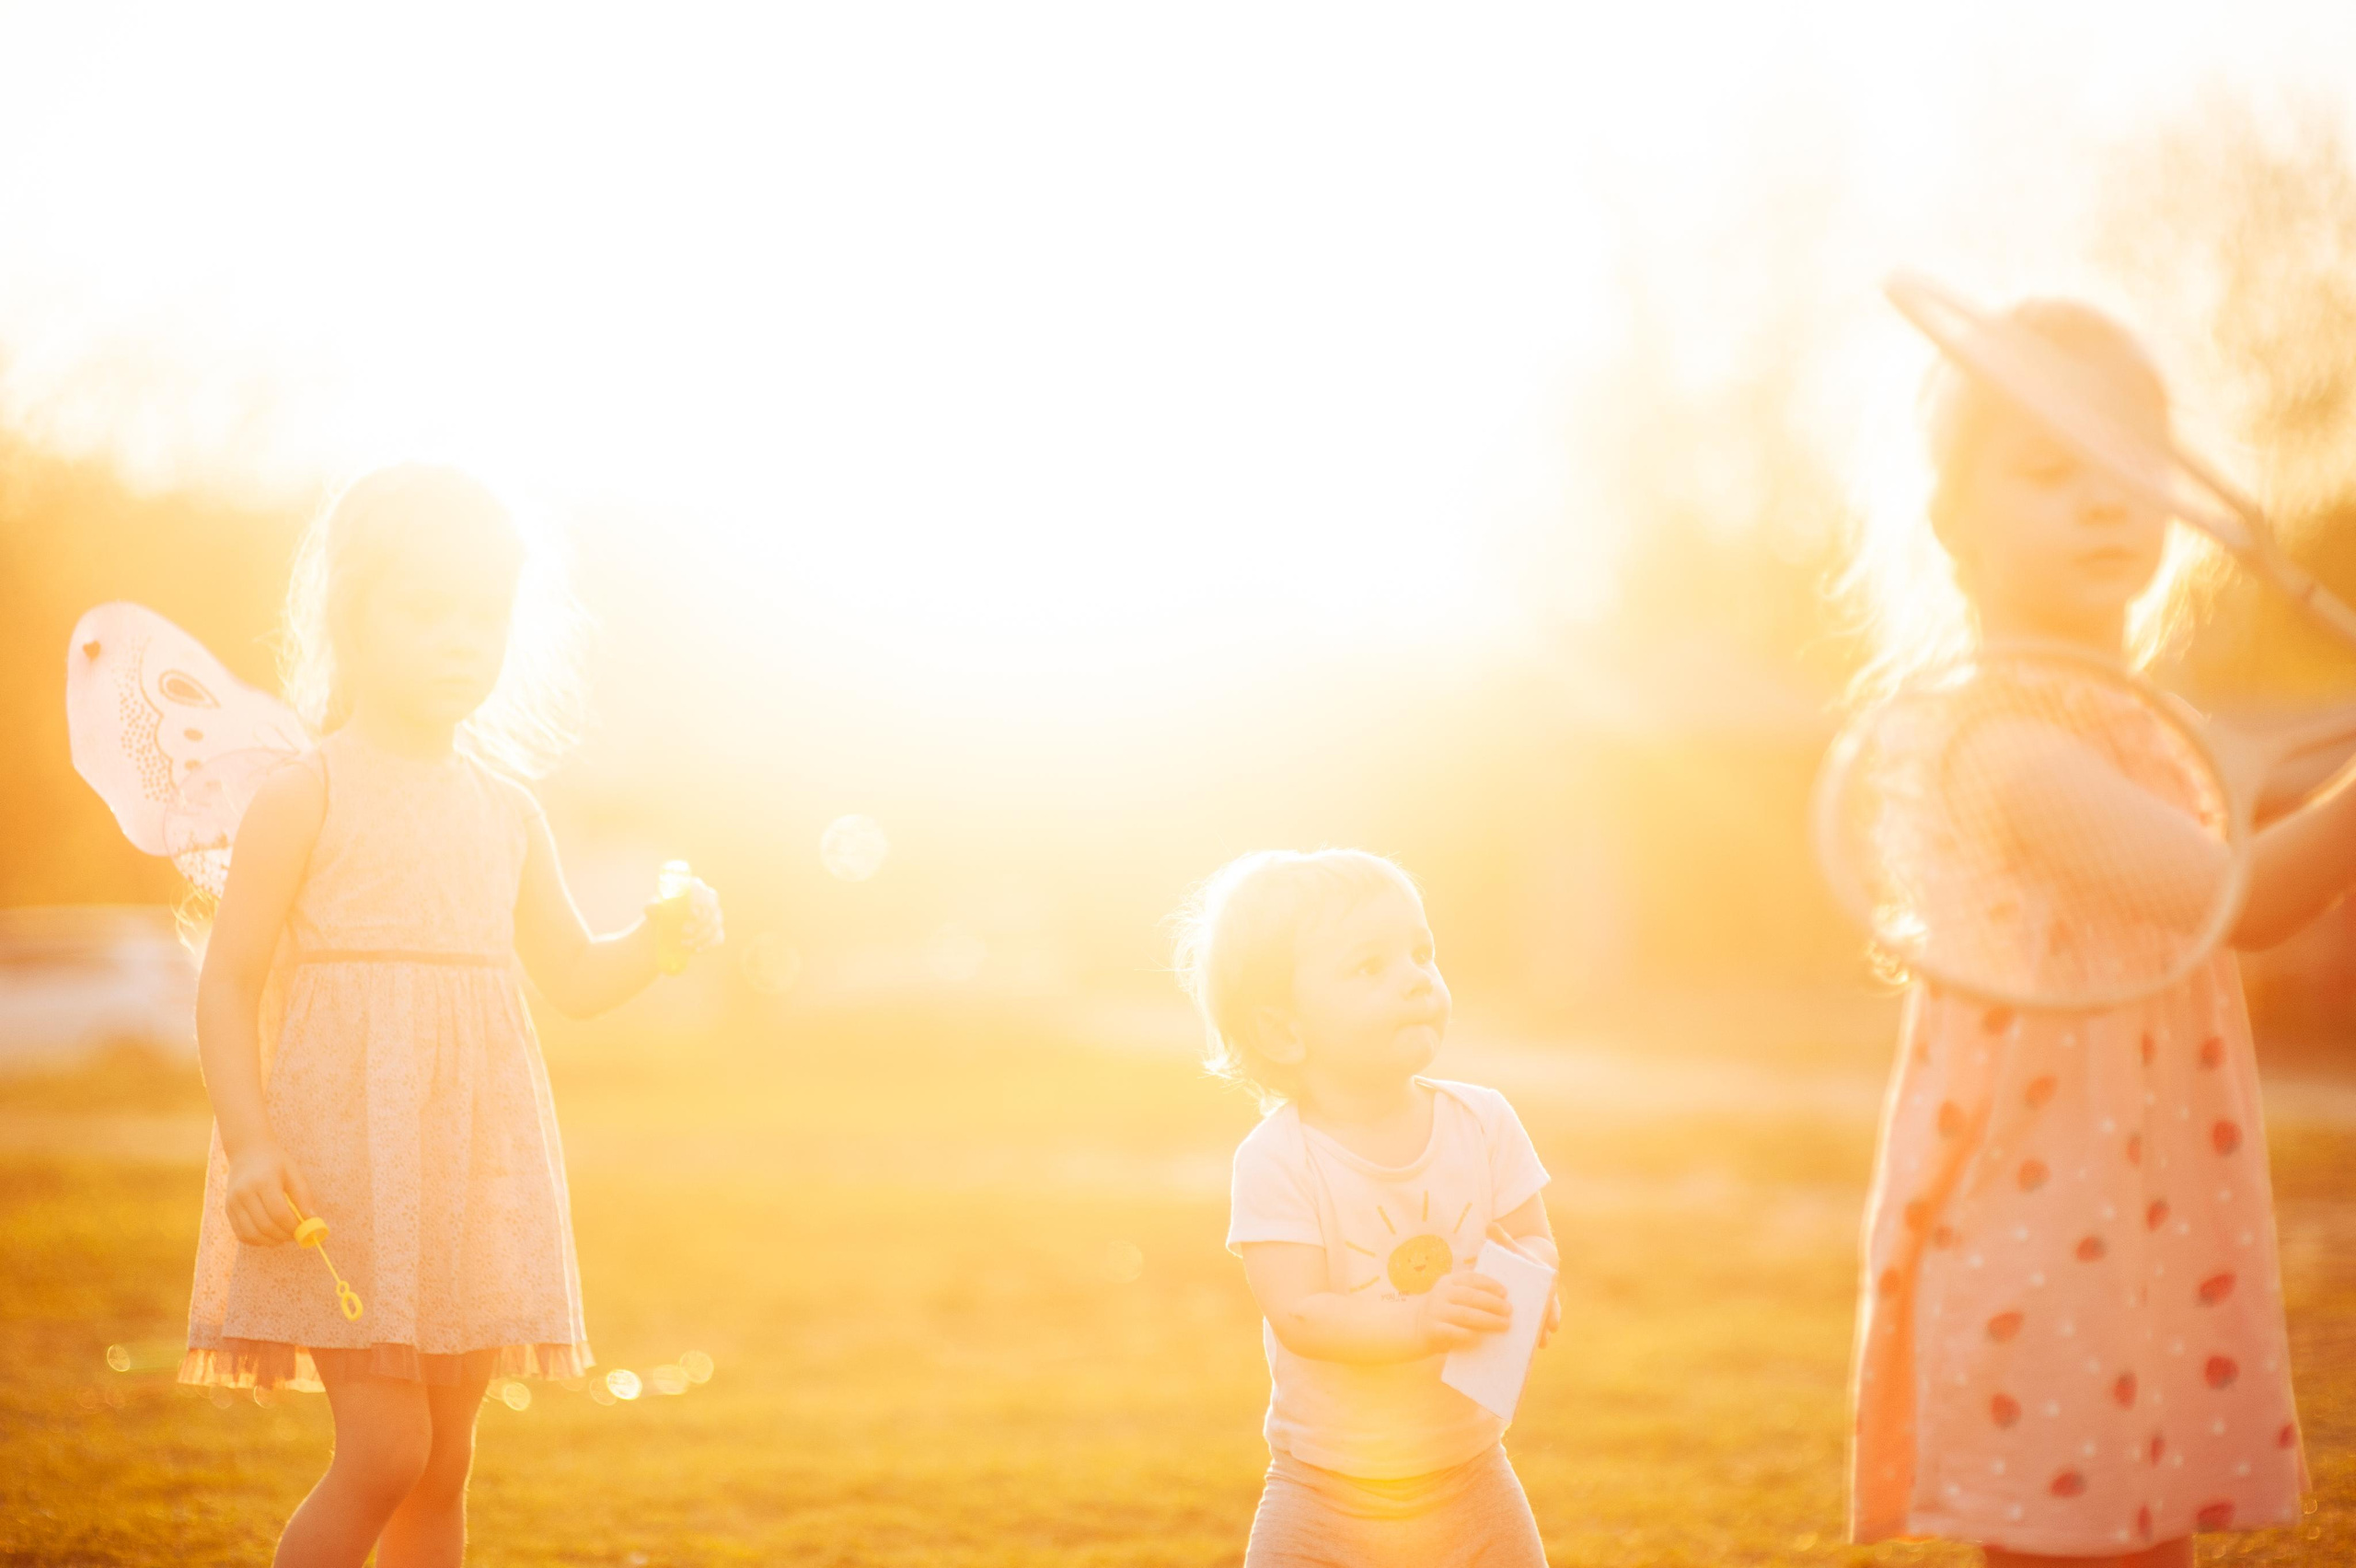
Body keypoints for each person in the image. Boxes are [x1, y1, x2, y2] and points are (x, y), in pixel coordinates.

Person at [1842, 298, 2356, 1565]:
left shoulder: (2129, 721)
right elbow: (2236, 897)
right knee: (2067, 1540)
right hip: (2037, 1203)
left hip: (2142, 1192)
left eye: (2129, 466)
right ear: (1954, 524)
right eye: (2049, 468)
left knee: (2144, 1532)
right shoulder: (2000, 744)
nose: (2102, 499)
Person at [179, 465, 722, 1567]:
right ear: (352, 617)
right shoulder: (306, 793)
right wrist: (248, 1147)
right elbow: (228, 981)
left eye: (483, 613)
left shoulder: (508, 811)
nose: (459, 637)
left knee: (443, 1463)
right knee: (383, 1450)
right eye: (424, 609)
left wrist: (659, 942)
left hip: (473, 1172)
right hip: (346, 1171)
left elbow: (570, 975)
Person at [1172, 848, 1557, 1568]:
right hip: (1324, 1496)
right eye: (1369, 966)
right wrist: (1420, 1319)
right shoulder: (1277, 1160)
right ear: (1283, 1030)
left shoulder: (1485, 1120)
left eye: (1422, 953)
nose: (1415, 978)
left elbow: (1535, 1240)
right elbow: (1301, 1313)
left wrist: (1529, 1284)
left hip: (1472, 1476)